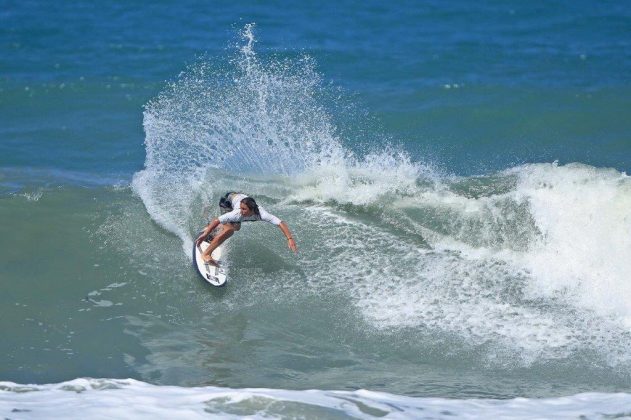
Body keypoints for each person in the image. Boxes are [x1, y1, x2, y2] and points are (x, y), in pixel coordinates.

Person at [195, 192, 297, 266]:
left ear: (252, 210)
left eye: (244, 209)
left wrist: (290, 239)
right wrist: (205, 234)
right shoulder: (237, 213)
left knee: (236, 227)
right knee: (229, 230)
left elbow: (280, 223)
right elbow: (218, 220)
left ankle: (213, 231)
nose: (241, 211)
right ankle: (206, 254)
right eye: (241, 208)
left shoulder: (262, 214)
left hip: (239, 197)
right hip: (227, 201)